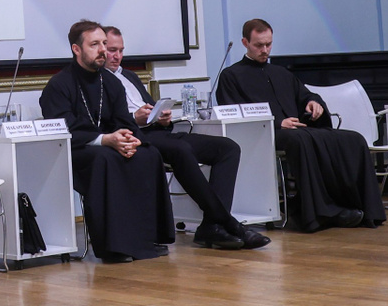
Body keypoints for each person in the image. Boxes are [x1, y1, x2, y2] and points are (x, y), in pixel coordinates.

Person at [101, 27, 269, 251]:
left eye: (121, 50)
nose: (117, 56)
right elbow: (105, 122)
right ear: (101, 49)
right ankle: (228, 223)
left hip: (160, 132)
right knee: (180, 149)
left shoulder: (129, 76)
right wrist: (135, 119)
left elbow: (150, 108)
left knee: (228, 148)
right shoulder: (99, 81)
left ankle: (211, 225)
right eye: (112, 50)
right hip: (137, 137)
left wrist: (162, 118)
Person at [215, 19, 384, 233]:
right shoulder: (231, 76)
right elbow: (235, 113)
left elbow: (306, 95)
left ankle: (359, 207)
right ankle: (319, 213)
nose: (265, 50)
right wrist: (278, 122)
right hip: (264, 134)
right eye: (259, 45)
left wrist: (314, 103)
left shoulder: (281, 73)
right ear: (245, 43)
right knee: (301, 139)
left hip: (298, 130)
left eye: (269, 44)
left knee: (353, 138)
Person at [39, 21, 173, 263]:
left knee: (149, 154)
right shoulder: (58, 85)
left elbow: (124, 120)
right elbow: (64, 129)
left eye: (103, 43)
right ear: (76, 49)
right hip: (76, 151)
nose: (102, 50)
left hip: (110, 145)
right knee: (105, 158)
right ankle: (113, 247)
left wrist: (129, 139)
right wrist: (105, 140)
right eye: (94, 44)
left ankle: (148, 238)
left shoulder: (110, 82)